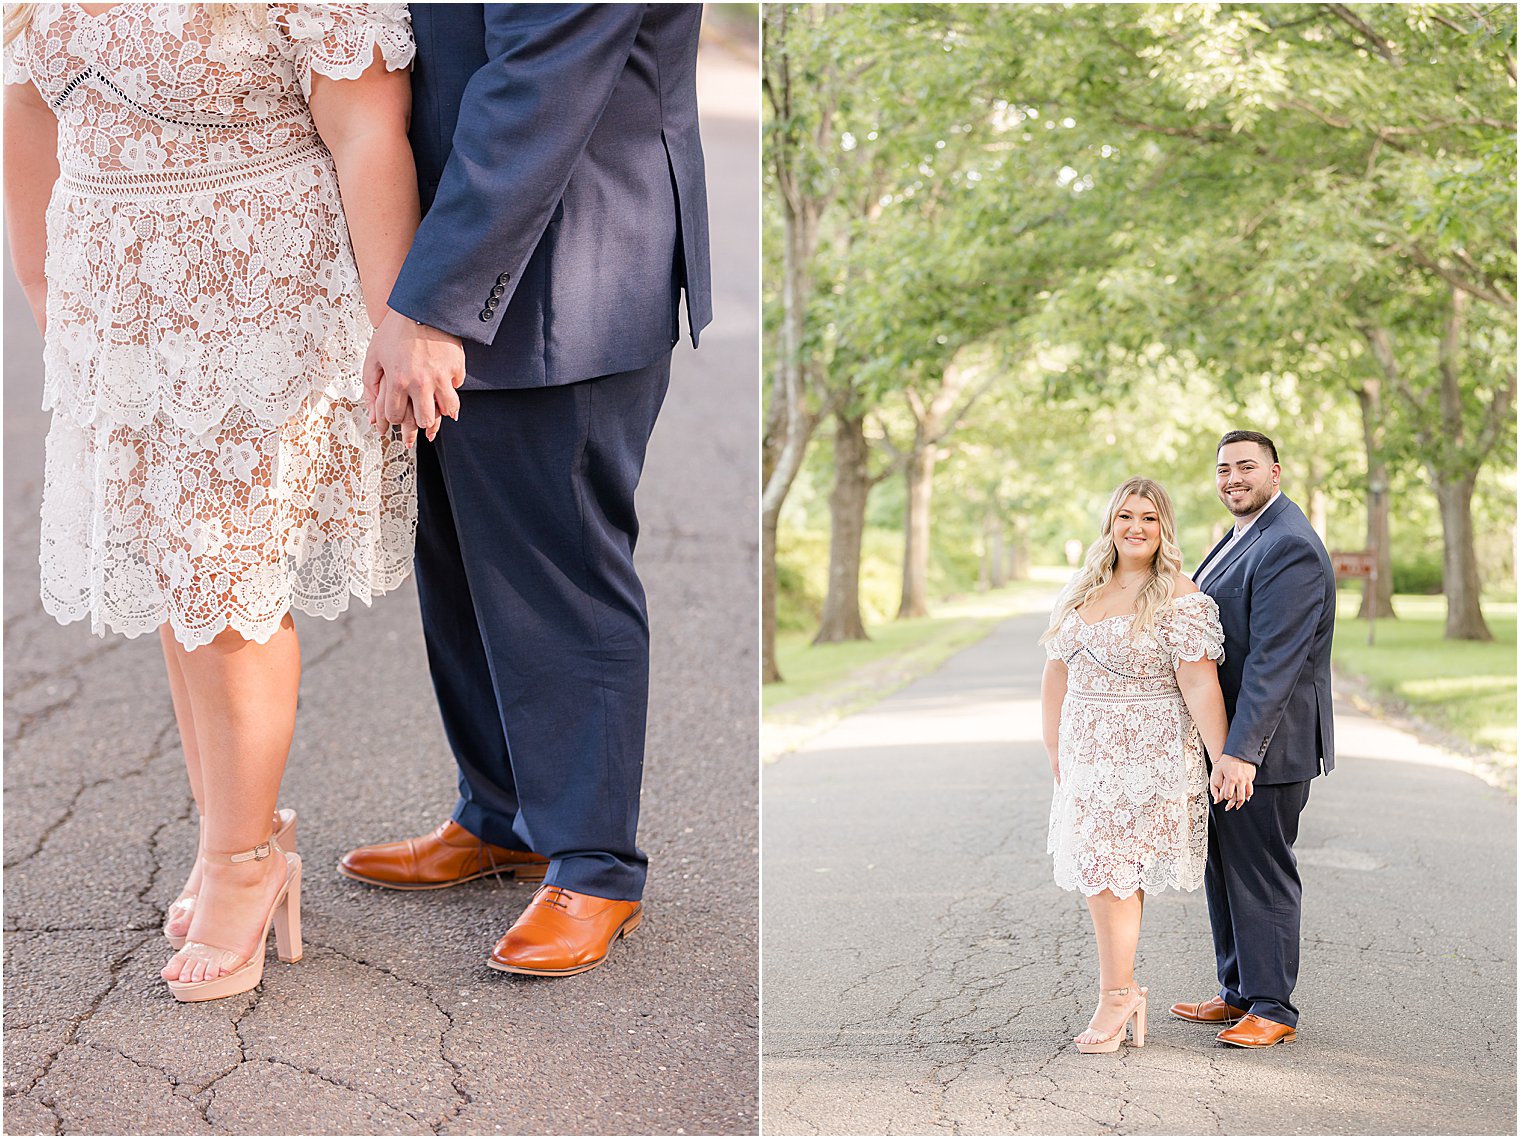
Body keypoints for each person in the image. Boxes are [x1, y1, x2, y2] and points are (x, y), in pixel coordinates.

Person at [3, 2, 419, 1001]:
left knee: (222, 575)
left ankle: (245, 866)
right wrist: (48, 297)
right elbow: (24, 107)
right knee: (169, 576)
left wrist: (399, 314)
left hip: (252, 294)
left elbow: (367, 128)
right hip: (113, 287)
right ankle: (233, 830)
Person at [337, 4, 711, 978]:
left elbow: (542, 76)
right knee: (459, 557)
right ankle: (500, 813)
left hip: (565, 259)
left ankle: (593, 863)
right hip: (445, 252)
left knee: (556, 571)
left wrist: (429, 301)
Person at [1040, 477, 1228, 1054]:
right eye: (1126, 516)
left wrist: (1223, 760)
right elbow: (1056, 671)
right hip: (1086, 755)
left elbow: (1200, 683)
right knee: (1102, 873)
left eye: (1149, 517)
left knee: (1113, 874)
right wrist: (1053, 748)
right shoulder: (1082, 588)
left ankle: (1117, 995)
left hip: (1146, 755)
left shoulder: (1179, 594)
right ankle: (1120, 992)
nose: (1136, 527)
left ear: (1164, 526)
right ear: (1110, 524)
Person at [1169, 430, 1335, 1048]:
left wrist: (1240, 752)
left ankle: (1272, 1007)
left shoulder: (1287, 546)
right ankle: (1237, 991)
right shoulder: (1242, 537)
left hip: (1265, 746)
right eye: (1223, 469)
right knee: (1224, 865)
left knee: (1261, 868)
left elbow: (1274, 663)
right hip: (1228, 742)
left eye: (1245, 467)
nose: (1232, 478)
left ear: (1276, 472)